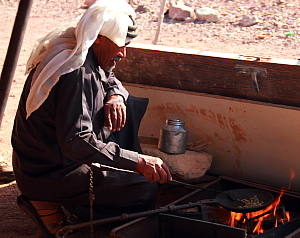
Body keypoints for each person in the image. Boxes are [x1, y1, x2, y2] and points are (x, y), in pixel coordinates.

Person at [11, 0, 172, 236]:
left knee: (127, 103)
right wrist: (137, 162)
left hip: (46, 163)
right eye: (120, 45)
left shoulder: (80, 51)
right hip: (48, 173)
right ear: (98, 37)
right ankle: (55, 205)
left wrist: (115, 96)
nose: (123, 53)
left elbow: (108, 76)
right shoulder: (76, 72)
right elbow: (77, 141)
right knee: (143, 190)